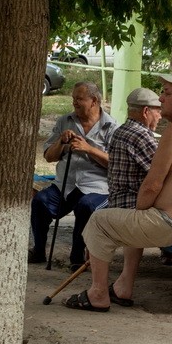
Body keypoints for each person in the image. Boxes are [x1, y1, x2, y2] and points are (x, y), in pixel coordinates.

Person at [63, 70, 172, 312]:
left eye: (167, 93)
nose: (161, 98)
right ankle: (123, 287)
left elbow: (151, 185)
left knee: (98, 221)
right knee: (123, 219)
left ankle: (98, 294)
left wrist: (141, 209)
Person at [29, 81, 117, 269]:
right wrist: (61, 143)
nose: (74, 103)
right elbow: (48, 156)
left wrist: (89, 149)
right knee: (40, 202)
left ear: (94, 101)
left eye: (79, 99)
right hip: (65, 184)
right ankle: (38, 250)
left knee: (86, 206)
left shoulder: (111, 127)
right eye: (73, 99)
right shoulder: (64, 121)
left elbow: (115, 164)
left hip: (96, 186)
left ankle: (77, 257)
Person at [106, 87, 162, 210]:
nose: (160, 117)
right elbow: (162, 173)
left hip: (116, 203)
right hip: (133, 206)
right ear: (146, 111)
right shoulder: (140, 135)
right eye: (158, 112)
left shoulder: (120, 131)